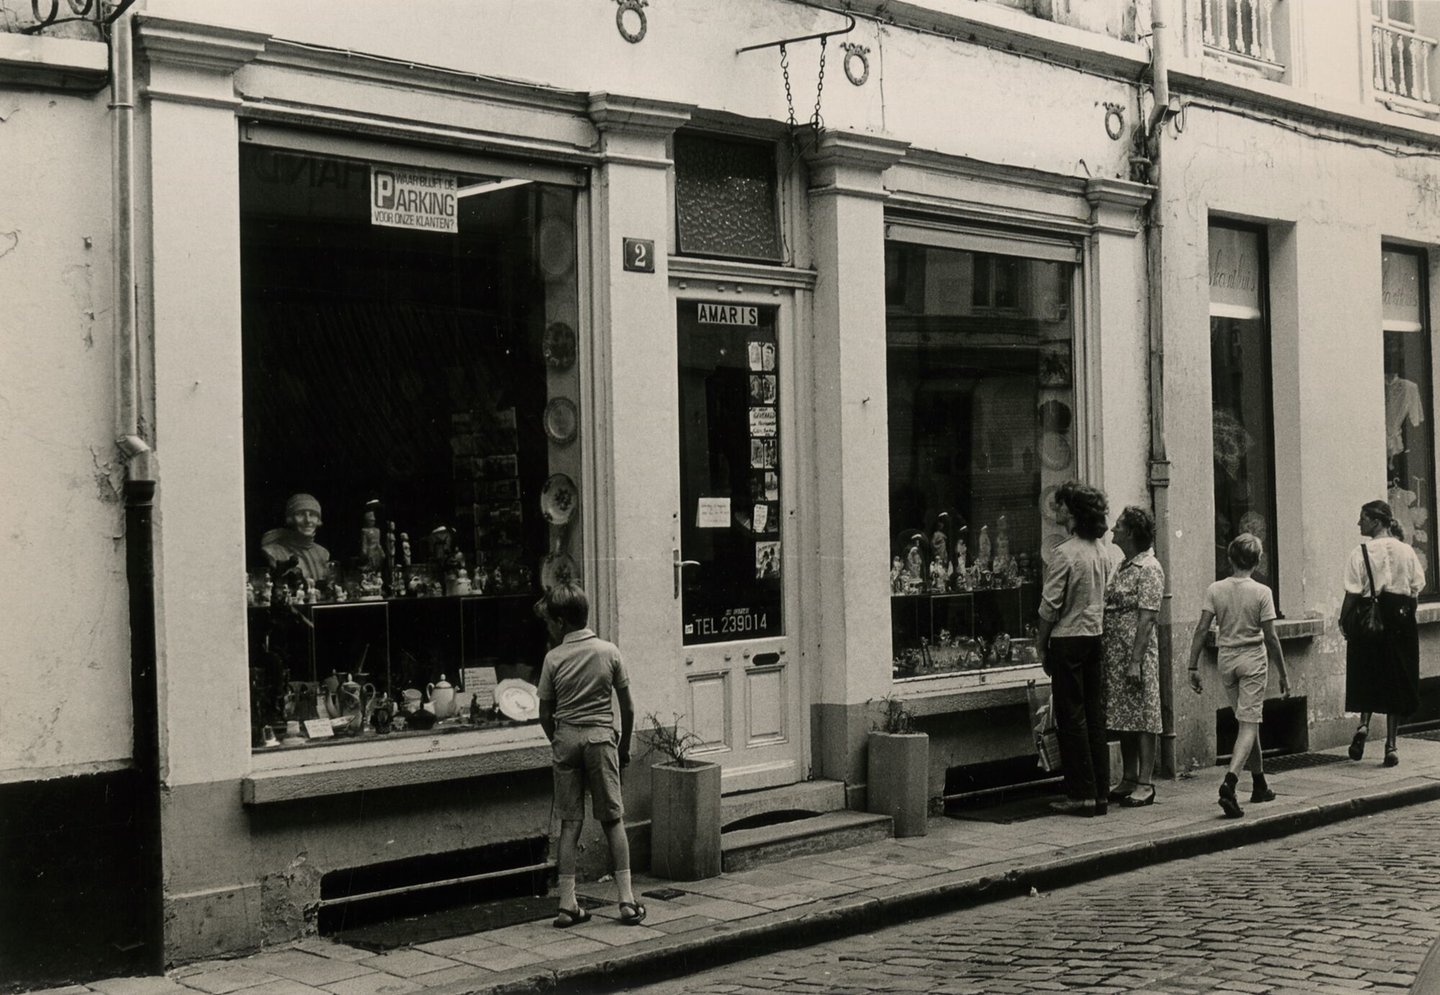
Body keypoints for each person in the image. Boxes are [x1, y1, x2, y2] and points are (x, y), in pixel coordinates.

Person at [535, 582, 645, 927]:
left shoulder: (553, 658)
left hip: (566, 739)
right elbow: (627, 707)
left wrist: (560, 739)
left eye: (550, 623)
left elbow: (544, 712)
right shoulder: (609, 652)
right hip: (601, 741)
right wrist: (623, 746)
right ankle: (626, 901)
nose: (549, 629)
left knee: (570, 824)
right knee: (613, 820)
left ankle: (568, 905)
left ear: (562, 622)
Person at [1187, 533, 1290, 818]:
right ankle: (1230, 783)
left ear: (1230, 558)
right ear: (1257, 562)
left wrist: (1192, 665)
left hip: (1227, 660)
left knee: (1247, 720)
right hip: (1253, 660)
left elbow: (1201, 628)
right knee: (1248, 723)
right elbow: (1271, 637)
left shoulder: (1215, 589)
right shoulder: (1262, 592)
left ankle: (1259, 784)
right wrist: (1283, 673)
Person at [1037, 481, 1115, 817]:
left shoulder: (1065, 554)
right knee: (1094, 716)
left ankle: (1080, 793)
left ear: (1075, 513)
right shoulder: (1101, 551)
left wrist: (1041, 645)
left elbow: (1049, 607)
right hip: (1094, 637)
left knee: (1072, 717)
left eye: (1064, 506)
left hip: (1068, 639)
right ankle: (1100, 792)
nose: (1059, 511)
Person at [1340, 499, 1424, 767]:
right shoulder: (1407, 551)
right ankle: (1391, 745)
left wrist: (1344, 620)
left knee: (1367, 671)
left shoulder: (1360, 552)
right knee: (1397, 676)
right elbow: (1415, 589)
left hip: (1369, 616)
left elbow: (1352, 592)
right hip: (1400, 617)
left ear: (1376, 521)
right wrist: (1407, 616)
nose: (1359, 523)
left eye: (1363, 518)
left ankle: (1363, 725)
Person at [1103, 506, 1165, 808]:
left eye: (1118, 526)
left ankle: (1145, 782)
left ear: (1130, 533)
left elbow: (1147, 618)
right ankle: (1128, 777)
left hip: (1135, 653)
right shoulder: (1123, 566)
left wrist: (1136, 660)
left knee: (1143, 715)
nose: (1113, 530)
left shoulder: (1149, 568)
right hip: (1116, 652)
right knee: (1124, 716)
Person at [259, 493, 331, 582]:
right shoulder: (273, 551)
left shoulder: (323, 553)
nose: (308, 520)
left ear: (318, 520)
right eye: (300, 514)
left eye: (312, 515)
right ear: (291, 519)